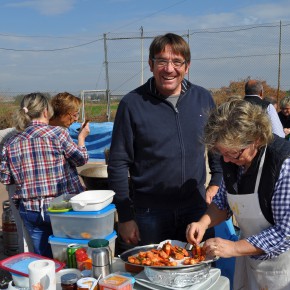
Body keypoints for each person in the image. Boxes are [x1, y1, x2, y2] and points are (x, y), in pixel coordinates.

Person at [108, 33, 222, 247]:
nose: (169, 69)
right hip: (150, 213)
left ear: (187, 66)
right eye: (162, 61)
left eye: (177, 62)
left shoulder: (202, 98)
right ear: (151, 64)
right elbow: (118, 163)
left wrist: (216, 180)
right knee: (151, 272)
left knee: (200, 269)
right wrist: (125, 217)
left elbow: (216, 144)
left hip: (195, 208)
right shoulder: (132, 104)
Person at [186, 97, 290, 290]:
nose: (226, 159)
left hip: (281, 268)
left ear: (256, 139)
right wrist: (203, 222)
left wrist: (233, 247)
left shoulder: (283, 165)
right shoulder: (234, 161)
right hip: (248, 258)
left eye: (233, 153)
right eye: (221, 153)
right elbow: (223, 202)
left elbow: (285, 233)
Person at [0, 93, 90, 257]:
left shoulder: (11, 142)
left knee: (43, 259)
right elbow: (81, 159)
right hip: (59, 207)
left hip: (30, 209)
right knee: (70, 253)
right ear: (46, 112)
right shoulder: (57, 133)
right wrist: (82, 139)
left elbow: (6, 178)